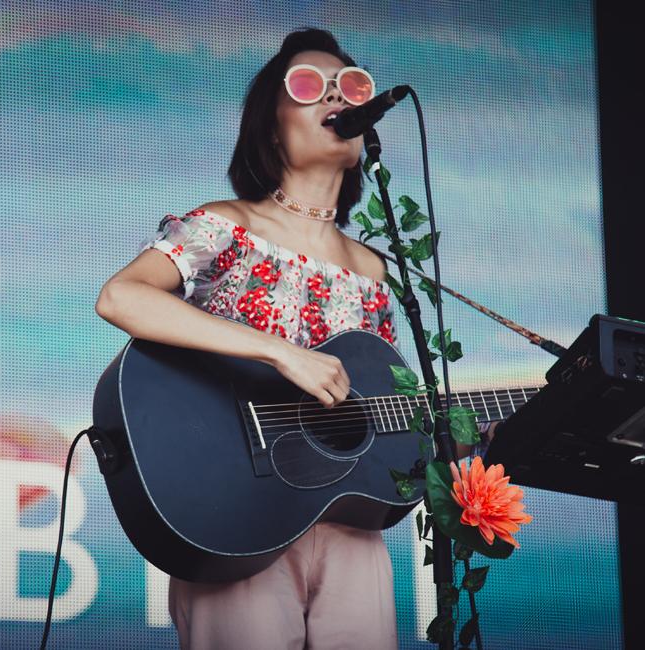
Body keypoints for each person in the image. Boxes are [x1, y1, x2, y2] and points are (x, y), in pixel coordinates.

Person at [95, 28, 495, 650]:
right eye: (308, 86)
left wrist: (467, 435)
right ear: (271, 126)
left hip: (349, 523)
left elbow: (383, 414)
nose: (336, 96)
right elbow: (121, 297)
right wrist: (282, 352)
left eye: (351, 86)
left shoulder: (375, 269)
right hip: (236, 513)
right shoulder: (225, 225)